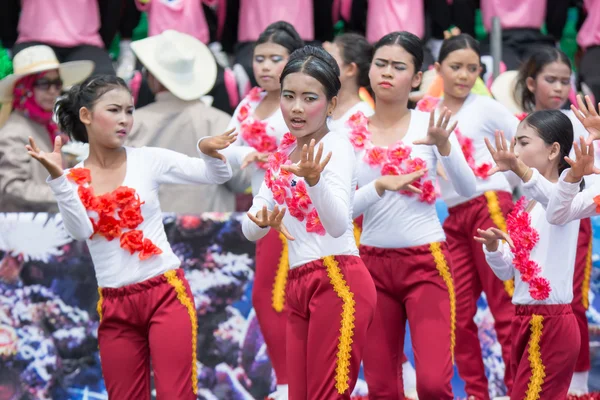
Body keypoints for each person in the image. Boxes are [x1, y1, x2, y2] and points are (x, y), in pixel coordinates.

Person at [25, 74, 236, 399]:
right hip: (115, 305)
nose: (125, 119)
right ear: (86, 115)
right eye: (115, 110)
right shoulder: (71, 178)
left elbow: (214, 175)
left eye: (129, 110)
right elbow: (80, 232)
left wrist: (207, 152)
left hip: (165, 295)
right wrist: (58, 181)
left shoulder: (148, 159)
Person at [242, 45, 414, 400]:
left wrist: (314, 181)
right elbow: (250, 228)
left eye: (309, 98)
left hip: (338, 280)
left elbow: (338, 224)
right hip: (298, 282)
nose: (297, 108)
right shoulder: (282, 157)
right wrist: (263, 221)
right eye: (288, 96)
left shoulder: (335, 146)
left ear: (331, 104)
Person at [351, 31, 476, 399]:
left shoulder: (430, 126)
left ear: (417, 77)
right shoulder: (347, 132)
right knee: (382, 387)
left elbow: (467, 190)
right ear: (369, 71)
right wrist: (380, 186)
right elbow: (339, 211)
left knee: (434, 384)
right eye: (381, 63)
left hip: (426, 262)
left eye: (399, 66)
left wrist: (445, 147)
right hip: (371, 265)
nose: (387, 72)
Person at [419, 34, 519, 400]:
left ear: (481, 71)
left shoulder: (486, 107)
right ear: (438, 68)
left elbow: (526, 140)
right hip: (453, 218)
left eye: (472, 68)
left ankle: (517, 392)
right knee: (456, 316)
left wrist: (509, 178)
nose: (463, 75)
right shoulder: (425, 112)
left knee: (505, 306)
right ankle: (477, 393)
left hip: (489, 207)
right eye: (455, 67)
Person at [324, 31, 419, 397]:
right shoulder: (330, 114)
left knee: (367, 322)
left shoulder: (364, 116)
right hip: (335, 227)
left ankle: (403, 382)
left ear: (350, 69)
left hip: (362, 233)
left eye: (329, 55)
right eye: (382, 63)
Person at [476, 110, 582, 399]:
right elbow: (508, 271)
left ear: (553, 150)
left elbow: (556, 202)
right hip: (524, 318)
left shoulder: (566, 196)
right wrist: (494, 248)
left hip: (551, 323)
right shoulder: (526, 205)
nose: (515, 151)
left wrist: (522, 171)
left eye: (523, 142)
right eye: (515, 143)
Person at [223, 21, 304, 399]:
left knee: (272, 298)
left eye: (276, 58)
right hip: (262, 213)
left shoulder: (301, 98)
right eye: (260, 59)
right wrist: (243, 154)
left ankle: (291, 385)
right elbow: (225, 151)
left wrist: (272, 156)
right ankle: (290, 382)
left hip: (297, 212)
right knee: (271, 299)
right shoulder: (248, 103)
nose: (266, 66)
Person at [513, 48, 599, 394]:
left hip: (553, 314)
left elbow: (562, 206)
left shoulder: (577, 126)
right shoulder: (527, 202)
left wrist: (595, 137)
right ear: (531, 83)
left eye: (566, 80)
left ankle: (579, 387)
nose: (560, 87)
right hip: (527, 313)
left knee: (573, 297)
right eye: (551, 79)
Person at [125, 30, 248, 214]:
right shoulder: (219, 121)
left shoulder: (132, 124)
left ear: (152, 78)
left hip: (148, 229)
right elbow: (240, 181)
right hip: (209, 231)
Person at [0, 45, 93, 212]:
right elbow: (11, 188)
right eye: (44, 84)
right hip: (26, 229)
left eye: (57, 84)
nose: (52, 91)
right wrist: (69, 195)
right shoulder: (14, 132)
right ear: (24, 87)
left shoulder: (45, 125)